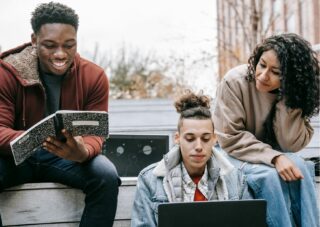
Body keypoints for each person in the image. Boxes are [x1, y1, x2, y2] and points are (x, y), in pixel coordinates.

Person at [0, 2, 120, 226]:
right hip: (15, 158)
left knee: (106, 174)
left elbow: (96, 132)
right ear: (34, 40)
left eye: (69, 45)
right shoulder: (7, 72)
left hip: (66, 157)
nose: (60, 54)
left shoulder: (94, 76)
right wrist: (35, 139)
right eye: (49, 45)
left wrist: (83, 153)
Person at [213, 33, 320, 227]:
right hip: (233, 152)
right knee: (270, 176)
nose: (262, 76)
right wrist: (275, 158)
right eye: (262, 65)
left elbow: (290, 144)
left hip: (271, 154)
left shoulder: (292, 93)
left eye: (276, 72)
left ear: (290, 77)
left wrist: (287, 99)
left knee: (301, 167)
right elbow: (230, 137)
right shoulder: (235, 81)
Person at [131, 91, 250, 227]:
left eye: (205, 138)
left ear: (214, 139)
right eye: (190, 138)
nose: (198, 146)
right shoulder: (150, 180)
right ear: (177, 138)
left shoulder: (236, 179)